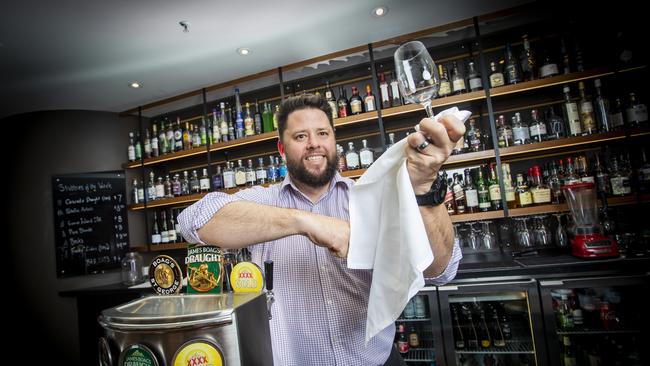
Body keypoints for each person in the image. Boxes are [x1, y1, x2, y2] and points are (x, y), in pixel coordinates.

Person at [178, 94, 464, 366]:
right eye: (300, 136)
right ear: (282, 149)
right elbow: (192, 221)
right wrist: (305, 222)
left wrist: (425, 187)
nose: (314, 144)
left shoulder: (368, 198)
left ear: (334, 140)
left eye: (323, 133)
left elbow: (442, 272)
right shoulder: (264, 201)